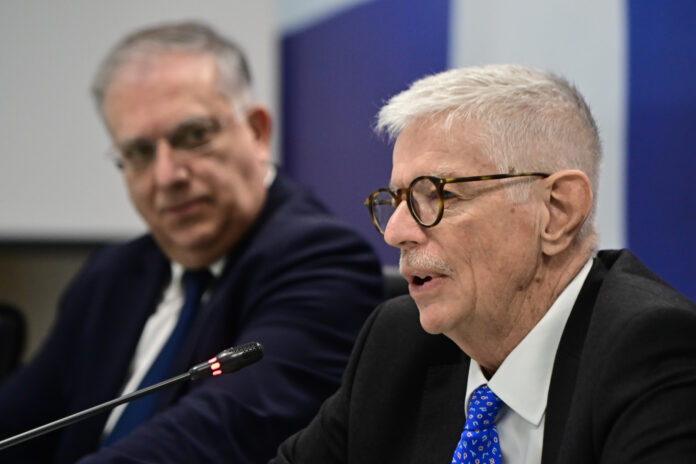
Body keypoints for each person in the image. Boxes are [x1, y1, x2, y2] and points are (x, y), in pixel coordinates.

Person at [0, 21, 385, 463]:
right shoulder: (111, 274)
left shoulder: (325, 263)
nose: (167, 176)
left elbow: (218, 434)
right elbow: (18, 423)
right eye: (140, 153)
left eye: (193, 136)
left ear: (257, 131)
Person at [270, 64, 696, 463]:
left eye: (439, 194)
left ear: (557, 211)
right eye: (397, 199)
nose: (395, 231)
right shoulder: (397, 343)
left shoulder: (651, 349)